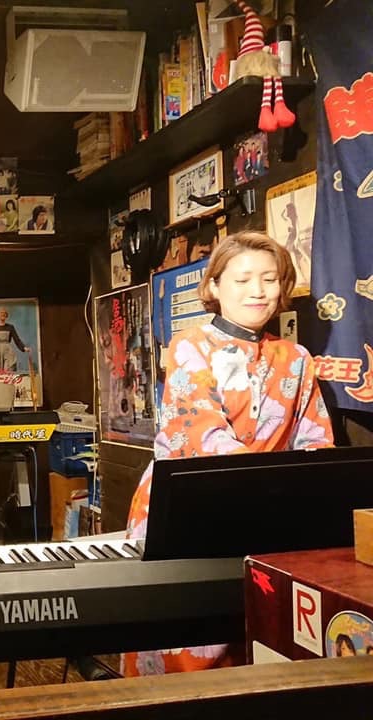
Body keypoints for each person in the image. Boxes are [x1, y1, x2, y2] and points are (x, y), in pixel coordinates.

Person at [123, 231, 334, 678]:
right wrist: (273, 487)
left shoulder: (296, 357)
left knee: (255, 641)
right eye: (242, 280)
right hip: (187, 509)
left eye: (269, 279)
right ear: (215, 286)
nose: (258, 291)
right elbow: (204, 434)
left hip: (267, 512)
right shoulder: (190, 345)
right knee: (182, 641)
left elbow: (316, 441)